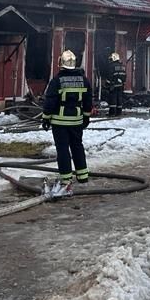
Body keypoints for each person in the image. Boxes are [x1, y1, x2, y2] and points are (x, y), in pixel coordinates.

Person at [41, 49, 92, 196]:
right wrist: (86, 116)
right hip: (77, 120)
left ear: (61, 64)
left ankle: (66, 179)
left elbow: (50, 101)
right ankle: (83, 176)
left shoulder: (57, 80)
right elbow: (88, 100)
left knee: (63, 149)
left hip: (59, 122)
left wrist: (46, 118)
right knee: (77, 146)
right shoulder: (84, 80)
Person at [103, 52, 127, 116]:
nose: (110, 61)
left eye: (111, 59)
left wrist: (107, 84)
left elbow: (109, 76)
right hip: (121, 85)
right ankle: (119, 112)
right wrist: (122, 82)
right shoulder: (122, 66)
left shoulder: (111, 66)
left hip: (113, 85)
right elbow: (124, 76)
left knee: (113, 99)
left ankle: (112, 113)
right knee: (119, 98)